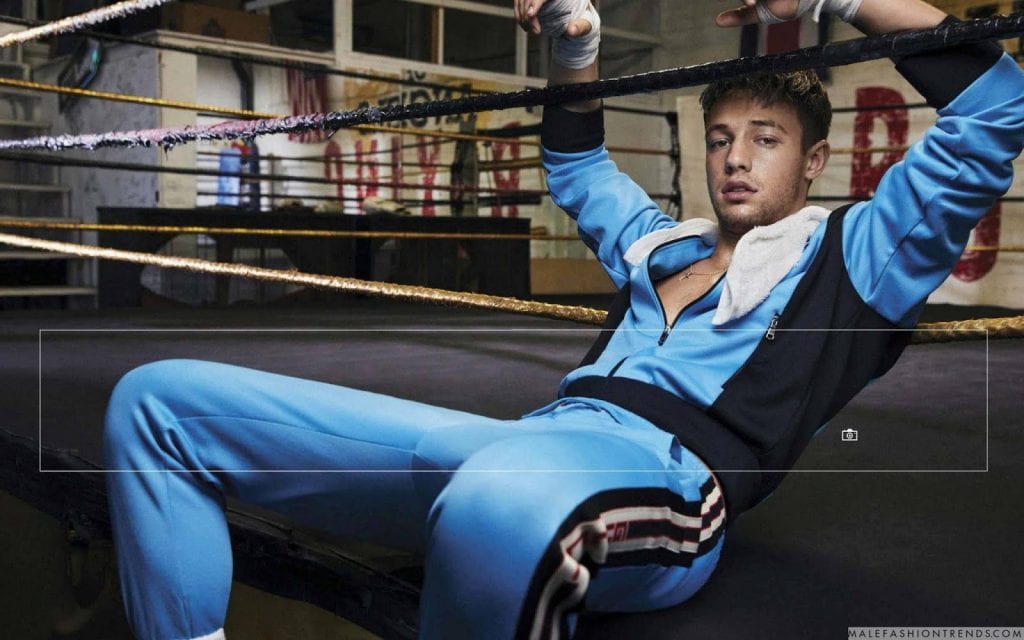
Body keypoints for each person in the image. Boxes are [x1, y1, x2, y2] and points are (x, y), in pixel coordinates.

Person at [102, 1, 1024, 638]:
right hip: (531, 442)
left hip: (666, 480)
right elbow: (579, 164)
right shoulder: (660, 245)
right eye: (720, 138)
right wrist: (573, 46)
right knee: (158, 404)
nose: (736, 160)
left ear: (814, 161)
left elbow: (995, 106)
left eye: (766, 140)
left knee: (498, 501)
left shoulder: (854, 259)